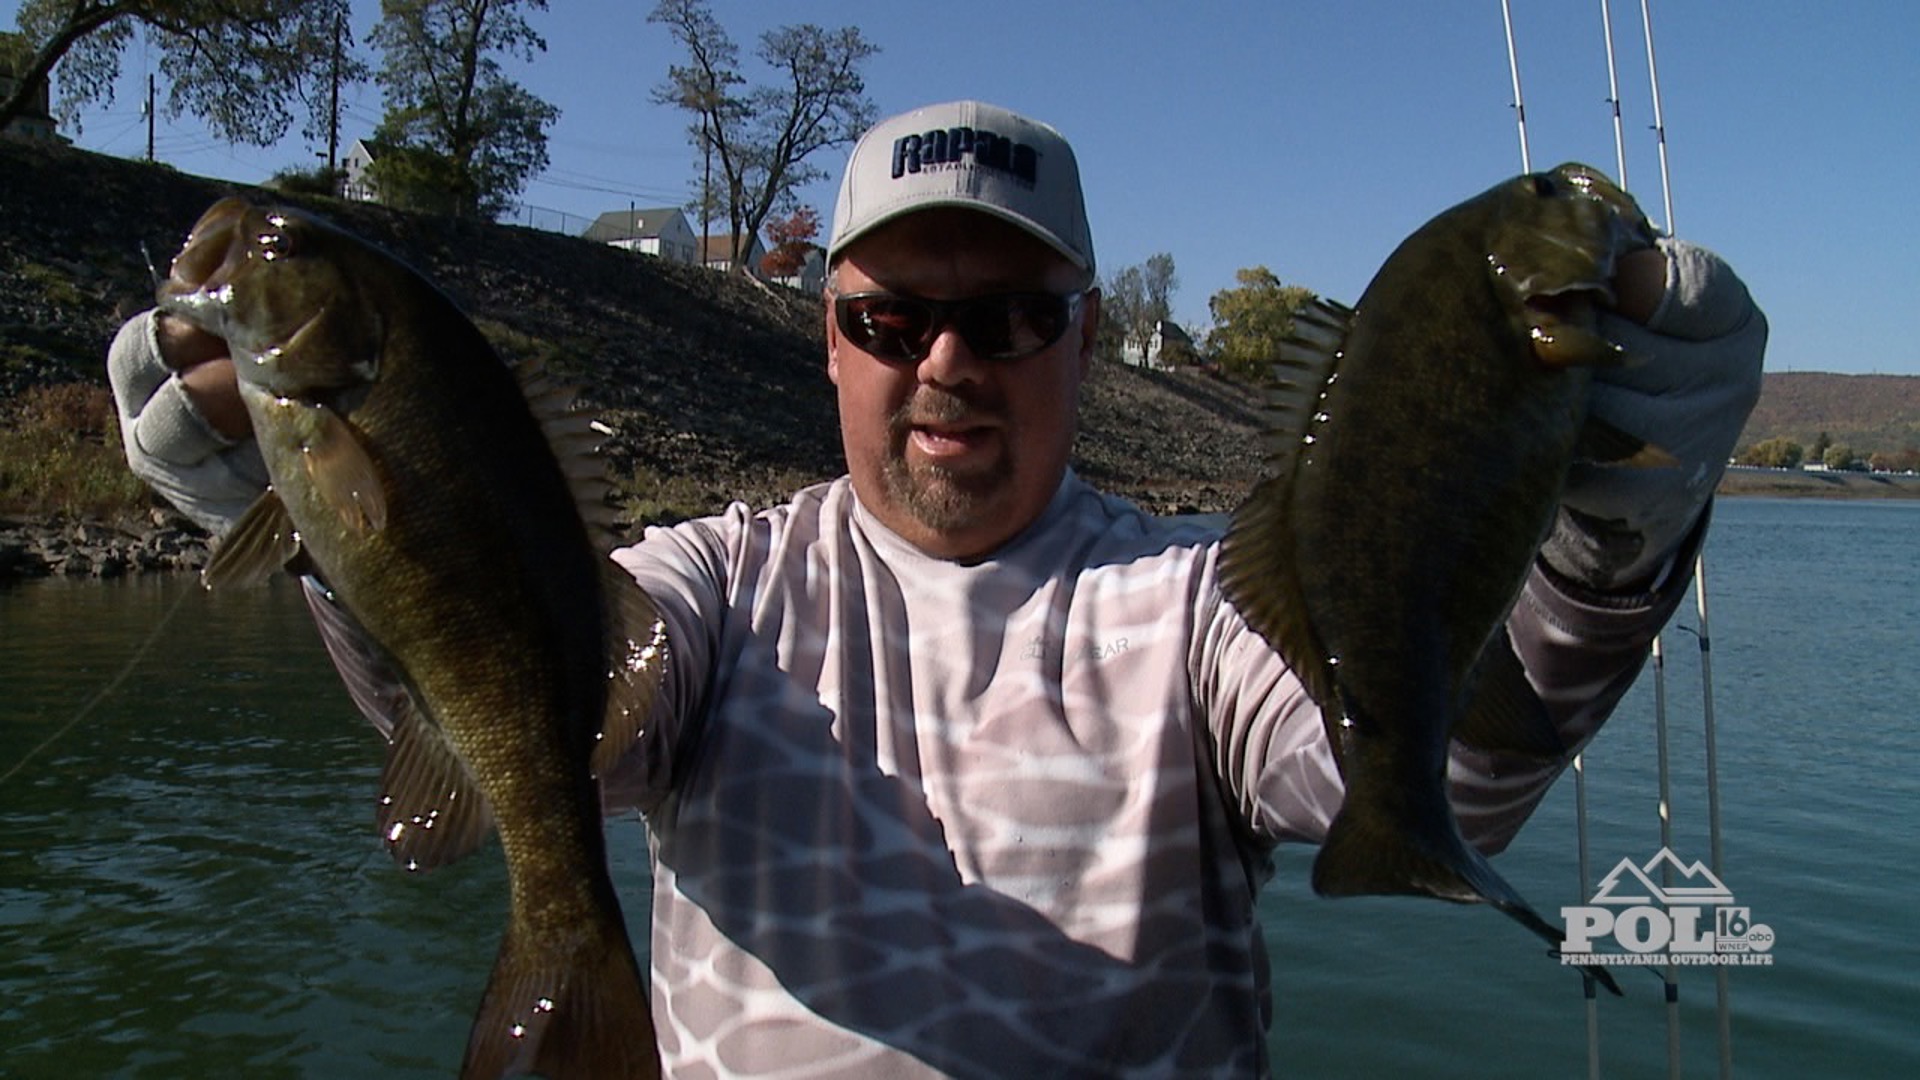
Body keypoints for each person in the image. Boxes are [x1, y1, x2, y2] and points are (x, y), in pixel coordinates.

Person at [110, 99, 1766, 1077]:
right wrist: (310, 521)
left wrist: (1603, 546)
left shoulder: (1192, 605)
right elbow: (561, 742)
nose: (951, 361)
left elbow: (1415, 781)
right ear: (826, 341)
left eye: (1013, 316)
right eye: (895, 320)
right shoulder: (715, 583)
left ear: (1087, 341)